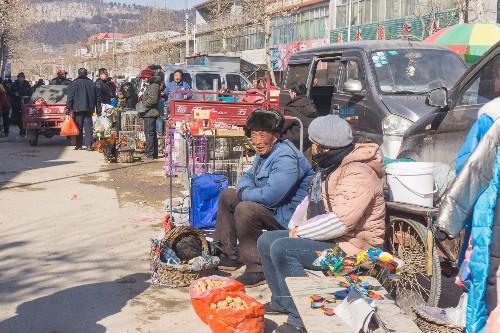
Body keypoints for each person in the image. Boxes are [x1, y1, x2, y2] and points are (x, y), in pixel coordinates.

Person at [257, 115, 386, 333]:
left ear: (325, 148)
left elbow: (342, 222)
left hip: (355, 251)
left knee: (284, 249)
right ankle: (283, 302)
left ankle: (300, 319)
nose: (312, 149)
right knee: (266, 240)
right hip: (335, 240)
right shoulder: (332, 167)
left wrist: (301, 232)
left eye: (314, 144)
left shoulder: (358, 172)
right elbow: (311, 202)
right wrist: (294, 227)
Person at [215, 109, 315, 287]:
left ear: (275, 135)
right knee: (227, 195)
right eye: (253, 135)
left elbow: (271, 196)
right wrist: (242, 190)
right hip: (272, 208)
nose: (257, 141)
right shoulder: (265, 153)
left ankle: (257, 267)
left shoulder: (285, 157)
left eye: (262, 135)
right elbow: (247, 177)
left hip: (288, 216)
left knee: (245, 209)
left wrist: (244, 193)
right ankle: (229, 254)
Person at [66, 68, 99, 151]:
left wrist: (68, 108)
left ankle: (79, 145)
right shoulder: (91, 83)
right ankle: (89, 145)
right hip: (89, 109)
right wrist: (98, 109)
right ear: (86, 73)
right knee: (88, 128)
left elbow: (70, 97)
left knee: (78, 127)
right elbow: (97, 97)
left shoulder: (74, 83)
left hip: (77, 109)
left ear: (78, 73)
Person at [281, 83, 318, 155]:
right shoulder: (311, 104)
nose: (289, 94)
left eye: (290, 92)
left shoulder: (292, 108)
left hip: (297, 140)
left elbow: (282, 127)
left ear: (294, 93)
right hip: (310, 138)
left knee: (274, 138)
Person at [138, 69, 161, 160]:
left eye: (144, 78)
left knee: (149, 134)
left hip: (150, 113)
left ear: (148, 77)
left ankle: (149, 154)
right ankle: (153, 153)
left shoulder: (154, 86)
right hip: (149, 112)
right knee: (151, 133)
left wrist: (143, 105)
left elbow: (153, 100)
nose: (143, 79)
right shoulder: (151, 85)